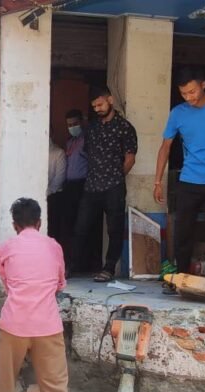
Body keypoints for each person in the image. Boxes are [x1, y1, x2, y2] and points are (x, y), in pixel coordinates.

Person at [0, 198, 90, 392]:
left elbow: (7, 284)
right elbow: (59, 284)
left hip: (13, 324)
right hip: (47, 325)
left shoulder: (5, 248)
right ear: (39, 222)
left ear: (15, 225)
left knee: (7, 380)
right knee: (55, 384)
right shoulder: (53, 247)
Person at [155, 68, 205, 277]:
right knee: (183, 231)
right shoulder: (177, 113)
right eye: (183, 93)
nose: (188, 97)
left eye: (192, 92)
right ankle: (181, 276)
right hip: (188, 179)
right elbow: (165, 147)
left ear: (203, 85)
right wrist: (157, 182)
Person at [71, 86, 137, 282]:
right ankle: (72, 266)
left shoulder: (125, 127)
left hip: (114, 186)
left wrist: (116, 177)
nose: (97, 109)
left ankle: (108, 268)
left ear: (110, 100)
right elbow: (88, 154)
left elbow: (130, 158)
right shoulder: (92, 128)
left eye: (100, 104)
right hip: (91, 186)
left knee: (114, 229)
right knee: (81, 227)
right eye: (94, 106)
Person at [62, 109, 88, 262]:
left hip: (82, 186)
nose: (72, 127)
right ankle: (72, 260)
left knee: (82, 225)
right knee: (69, 224)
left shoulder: (87, 140)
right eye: (69, 125)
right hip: (69, 186)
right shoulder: (70, 142)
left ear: (82, 122)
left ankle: (81, 261)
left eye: (75, 124)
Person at [47, 138, 67, 243]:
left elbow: (59, 178)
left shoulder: (59, 153)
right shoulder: (35, 152)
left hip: (54, 196)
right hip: (40, 196)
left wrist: (47, 192)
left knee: (53, 229)